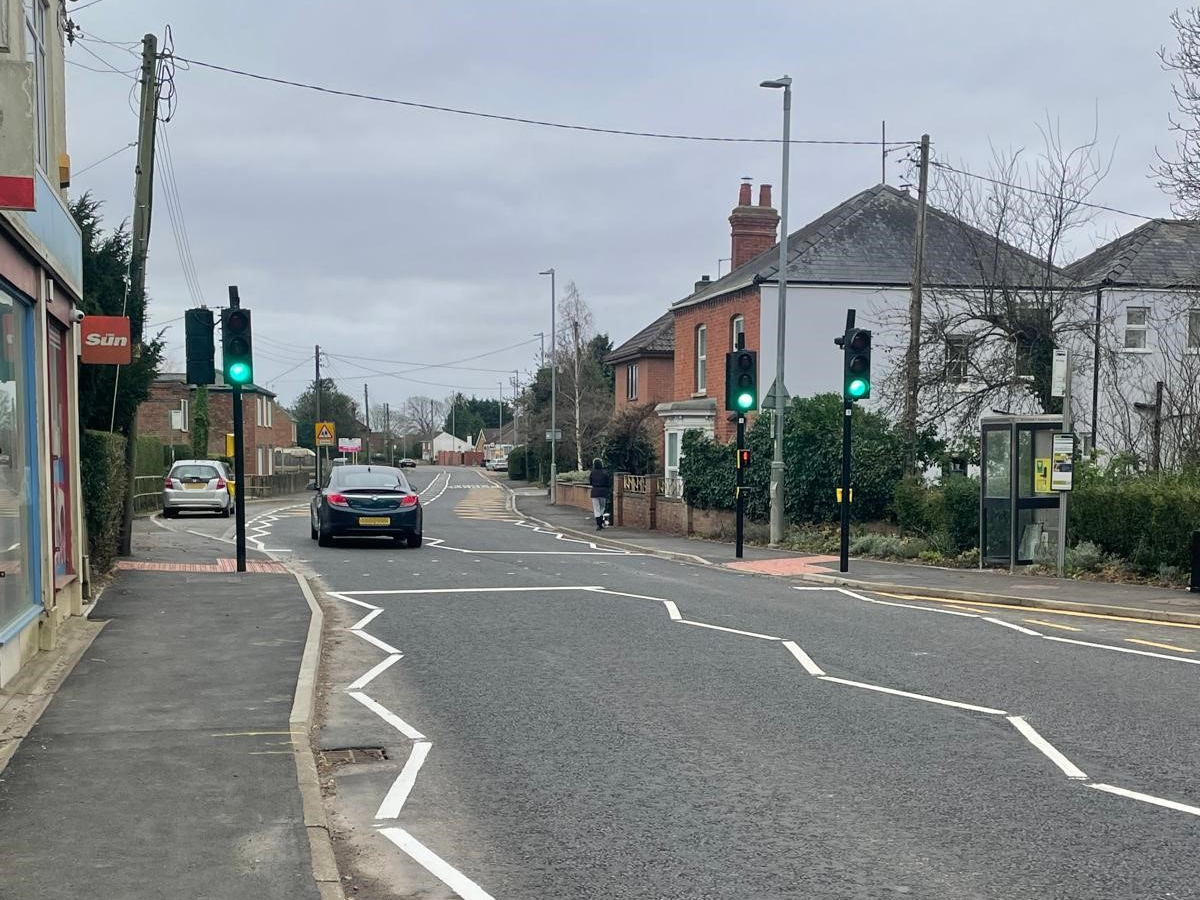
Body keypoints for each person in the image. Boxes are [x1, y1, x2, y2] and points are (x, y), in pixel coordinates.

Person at [588, 457, 611, 531]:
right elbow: (608, 483)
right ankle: (601, 523)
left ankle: (598, 525)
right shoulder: (605, 473)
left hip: (594, 491)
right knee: (602, 508)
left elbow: (590, 482)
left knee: (596, 508)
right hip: (603, 492)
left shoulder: (592, 472)